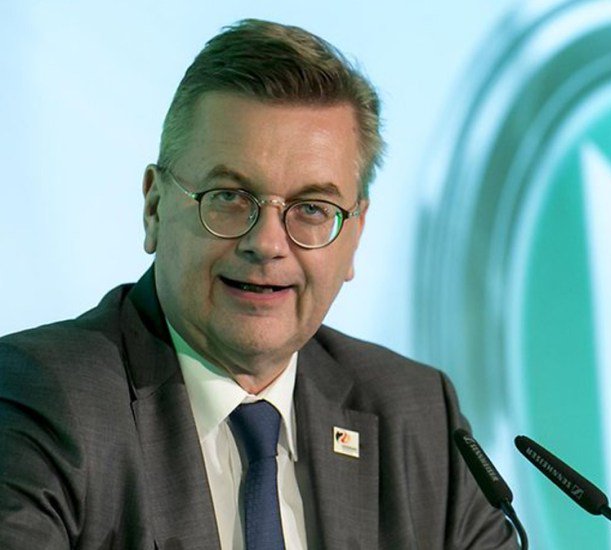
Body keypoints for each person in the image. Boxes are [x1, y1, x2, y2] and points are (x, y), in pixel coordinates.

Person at [0, 19, 516, 549]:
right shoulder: (40, 398)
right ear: (154, 207)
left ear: (355, 233)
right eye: (229, 196)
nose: (267, 243)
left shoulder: (416, 415)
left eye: (312, 208)